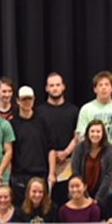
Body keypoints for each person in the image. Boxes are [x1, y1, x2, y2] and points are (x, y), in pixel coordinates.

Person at [37, 73, 79, 206]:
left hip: (68, 165)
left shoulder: (73, 110)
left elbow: (78, 136)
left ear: (63, 87)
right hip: (45, 166)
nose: (55, 88)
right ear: (46, 88)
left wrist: (66, 152)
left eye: (57, 85)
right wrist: (52, 156)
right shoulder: (39, 111)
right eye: (51, 85)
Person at [11, 85, 50, 203]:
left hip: (41, 174)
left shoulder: (42, 121)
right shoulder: (12, 124)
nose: (27, 102)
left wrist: (51, 173)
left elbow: (51, 148)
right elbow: (9, 151)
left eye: (29, 99)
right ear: (18, 101)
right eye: (24, 99)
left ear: (34, 100)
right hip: (19, 176)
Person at [76, 71, 112, 144]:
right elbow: (81, 135)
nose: (103, 88)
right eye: (100, 85)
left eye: (107, 85)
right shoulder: (86, 109)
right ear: (95, 89)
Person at [72, 120, 112, 204]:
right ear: (87, 133)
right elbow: (76, 172)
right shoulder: (80, 148)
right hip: (82, 192)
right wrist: (85, 195)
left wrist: (97, 198)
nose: (95, 134)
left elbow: (108, 175)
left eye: (98, 131)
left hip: (103, 193)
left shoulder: (109, 150)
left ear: (103, 134)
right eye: (92, 131)